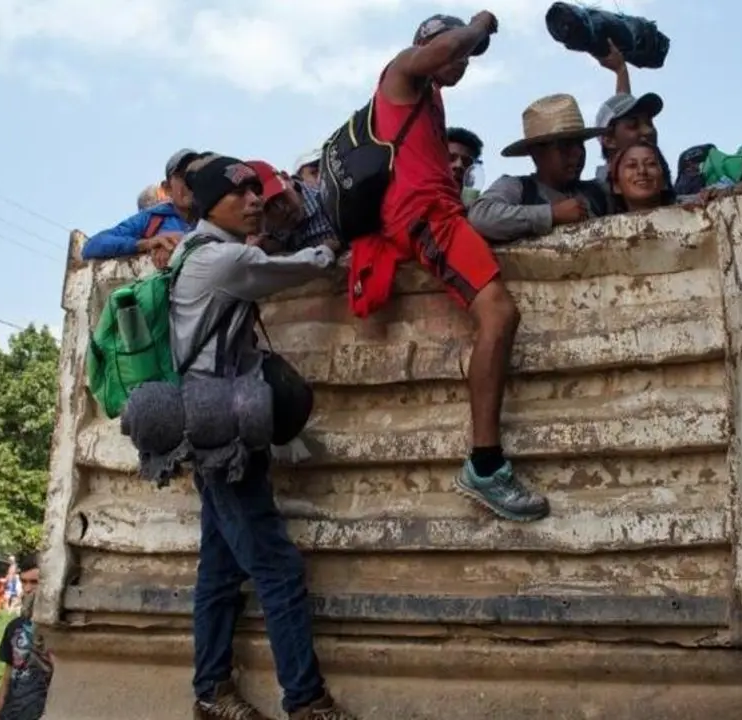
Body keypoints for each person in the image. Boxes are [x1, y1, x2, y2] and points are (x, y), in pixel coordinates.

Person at [172, 154, 354, 720]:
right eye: (243, 195)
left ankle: (211, 692)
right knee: (275, 565)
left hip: (205, 416)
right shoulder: (225, 260)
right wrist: (330, 248)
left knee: (222, 566)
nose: (256, 201)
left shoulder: (189, 251)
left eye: (257, 190)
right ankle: (307, 701)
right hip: (222, 423)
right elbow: (304, 266)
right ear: (211, 207)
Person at [349, 12, 548, 522]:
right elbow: (441, 51)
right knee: (499, 314)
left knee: (500, 315)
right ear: (426, 45)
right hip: (425, 217)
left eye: (466, 57)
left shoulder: (430, 99)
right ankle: (485, 464)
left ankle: (485, 462)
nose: (460, 61)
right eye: (452, 51)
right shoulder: (402, 71)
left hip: (440, 215)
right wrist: (480, 23)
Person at [468, 93, 609, 243]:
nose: (578, 153)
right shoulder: (518, 188)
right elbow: (480, 216)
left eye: (580, 143)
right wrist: (551, 215)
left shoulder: (599, 192)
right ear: (537, 152)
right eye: (565, 145)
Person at [81, 148, 200, 266]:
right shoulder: (152, 218)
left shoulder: (215, 214)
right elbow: (92, 246)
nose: (189, 182)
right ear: (167, 188)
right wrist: (147, 244)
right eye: (181, 176)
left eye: (195, 175)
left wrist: (181, 241)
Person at [592, 42, 663, 184]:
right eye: (633, 125)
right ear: (609, 140)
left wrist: (621, 70)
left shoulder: (663, 189)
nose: (648, 131)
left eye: (649, 122)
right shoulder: (594, 199)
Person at [0, 556, 52, 720]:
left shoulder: (64, 632)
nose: (27, 589)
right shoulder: (15, 627)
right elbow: (6, 680)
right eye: (23, 582)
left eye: (34, 582)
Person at [245, 160, 337, 253]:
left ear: (286, 178)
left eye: (280, 196)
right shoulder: (265, 240)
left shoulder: (333, 201)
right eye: (268, 208)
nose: (281, 208)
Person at [606, 139, 676, 212]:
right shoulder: (601, 223)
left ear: (664, 179)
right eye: (632, 165)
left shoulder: (687, 212)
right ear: (616, 185)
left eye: (650, 164)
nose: (642, 171)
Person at [447, 126, 484, 204]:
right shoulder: (417, 203)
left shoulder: (480, 211)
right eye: (450, 158)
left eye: (467, 162)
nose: (459, 165)